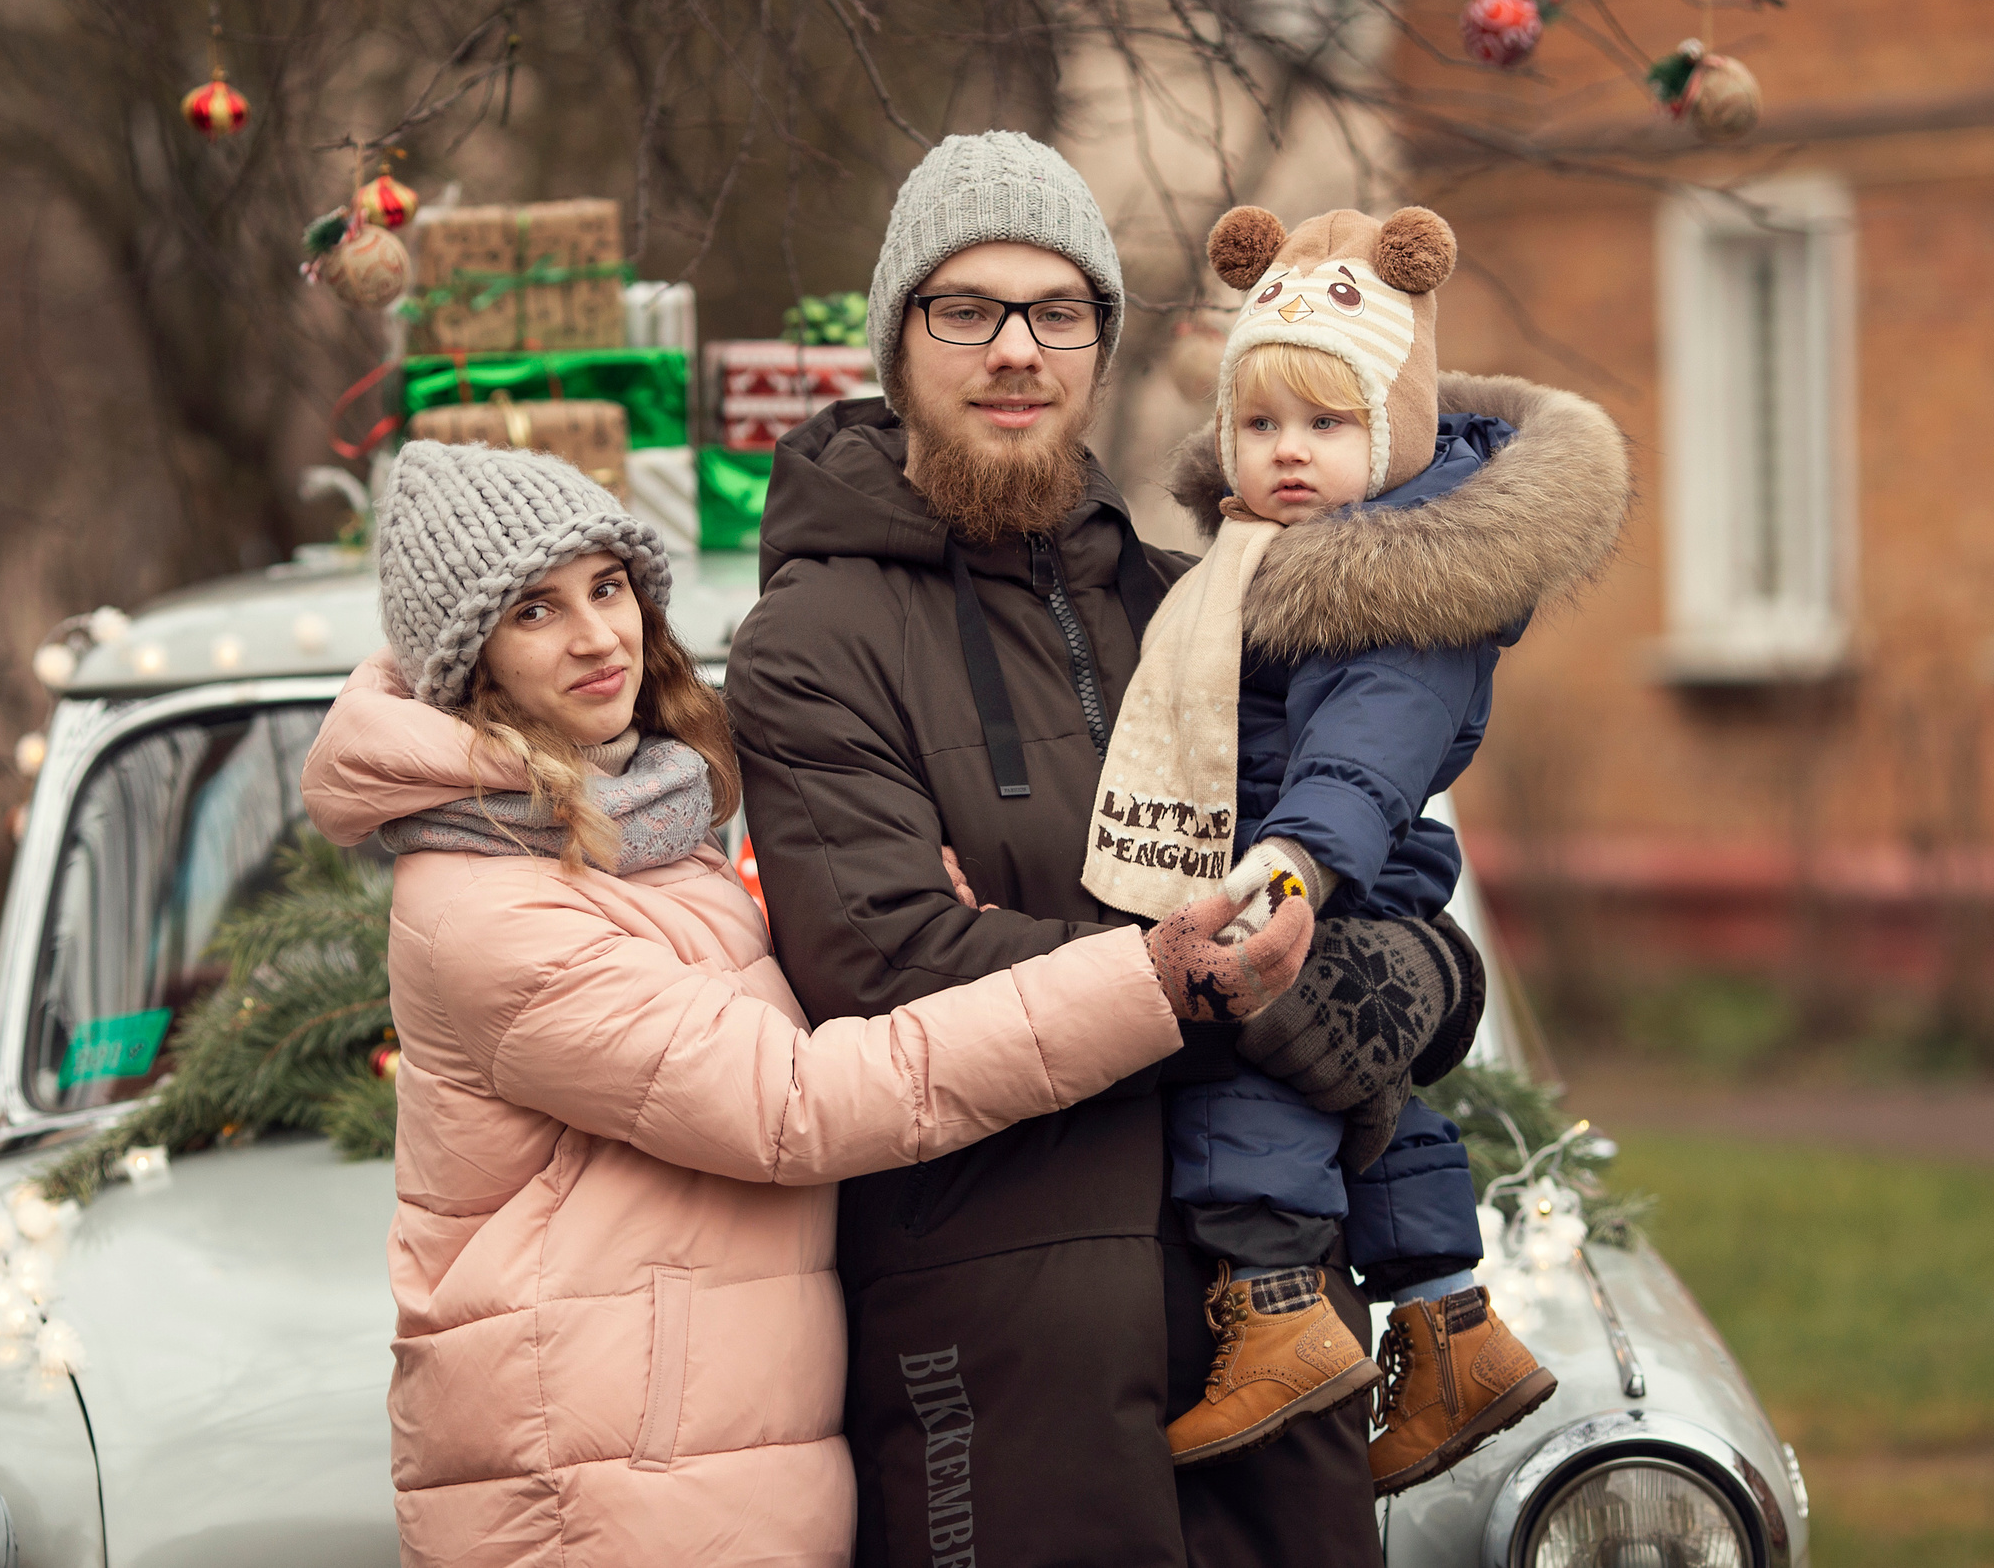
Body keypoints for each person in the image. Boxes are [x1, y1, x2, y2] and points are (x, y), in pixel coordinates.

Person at [298, 440, 1316, 1568]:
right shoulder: (490, 905)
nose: (597, 635)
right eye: (533, 611)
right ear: (469, 661)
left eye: (608, 586)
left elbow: (759, 1001)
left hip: (690, 1442)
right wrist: (1142, 979)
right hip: (600, 1473)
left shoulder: (642, 828)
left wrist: (921, 914)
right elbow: (789, 1104)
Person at [723, 134, 1507, 1568]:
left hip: (1274, 1321)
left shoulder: (1196, 596)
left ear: (1100, 346)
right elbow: (888, 964)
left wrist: (1413, 975)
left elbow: (1391, 868)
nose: (1016, 349)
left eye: (1059, 310)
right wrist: (1207, 971)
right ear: (899, 337)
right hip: (1005, 1349)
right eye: (966, 308)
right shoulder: (811, 642)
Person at [1085, 202, 1625, 1491]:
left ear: (1392, 434)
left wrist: (1287, 872)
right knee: (1361, 1094)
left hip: (1321, 870)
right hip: (1320, 869)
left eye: (1325, 427)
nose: (1284, 454)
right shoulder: (1277, 558)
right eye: (1258, 425)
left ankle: (1274, 1312)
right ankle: (1451, 1328)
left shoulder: (1399, 586)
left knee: (1242, 1070)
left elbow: (1359, 757)